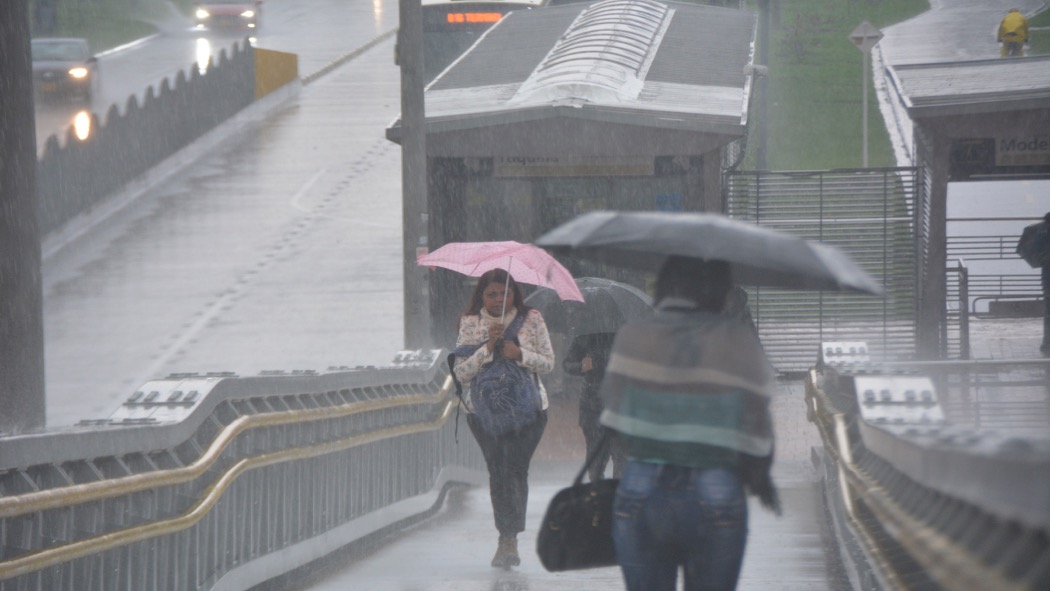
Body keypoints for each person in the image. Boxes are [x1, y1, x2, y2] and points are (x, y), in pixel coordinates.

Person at [599, 256, 780, 591]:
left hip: (641, 488)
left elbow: (614, 414)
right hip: (717, 487)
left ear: (666, 286)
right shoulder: (737, 340)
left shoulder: (634, 336)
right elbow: (758, 430)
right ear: (719, 291)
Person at [452, 268, 554, 568]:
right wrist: (486, 348)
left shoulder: (532, 319)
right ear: (481, 296)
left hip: (529, 411)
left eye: (504, 292)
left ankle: (511, 535)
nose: (499, 299)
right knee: (498, 471)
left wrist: (518, 353)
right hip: (484, 413)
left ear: (515, 294)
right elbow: (461, 372)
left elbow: (548, 363)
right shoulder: (470, 323)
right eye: (491, 293)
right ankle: (506, 538)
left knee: (516, 470)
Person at [562, 331, 626, 482]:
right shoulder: (584, 337)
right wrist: (581, 366)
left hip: (619, 404)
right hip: (592, 405)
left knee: (622, 460)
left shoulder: (625, 338)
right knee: (596, 461)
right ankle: (598, 497)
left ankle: (617, 498)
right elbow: (567, 364)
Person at [1017, 212, 1050, 355]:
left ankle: (1047, 343)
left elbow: (1028, 250)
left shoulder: (1039, 233)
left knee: (1048, 312)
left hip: (1048, 277)